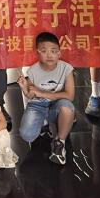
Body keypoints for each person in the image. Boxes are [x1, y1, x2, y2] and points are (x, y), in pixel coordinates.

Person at [17, 32, 75, 165]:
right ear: (37, 52)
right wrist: (25, 89)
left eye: (53, 51)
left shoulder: (66, 69)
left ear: (59, 53)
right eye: (44, 51)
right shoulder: (32, 71)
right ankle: (45, 122)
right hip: (38, 105)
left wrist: (42, 93)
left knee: (67, 107)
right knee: (27, 134)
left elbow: (70, 95)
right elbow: (31, 95)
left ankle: (59, 144)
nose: (49, 55)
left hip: (57, 104)